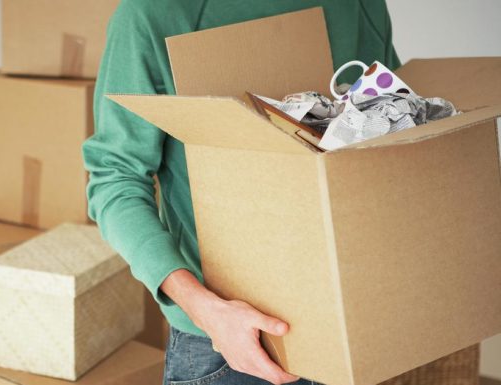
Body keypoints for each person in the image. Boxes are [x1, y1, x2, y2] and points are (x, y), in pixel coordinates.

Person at [82, 1, 400, 384]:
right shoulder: (154, 14)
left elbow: (395, 132)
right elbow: (115, 179)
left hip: (351, 321)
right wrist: (206, 311)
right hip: (230, 344)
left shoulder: (359, 5)